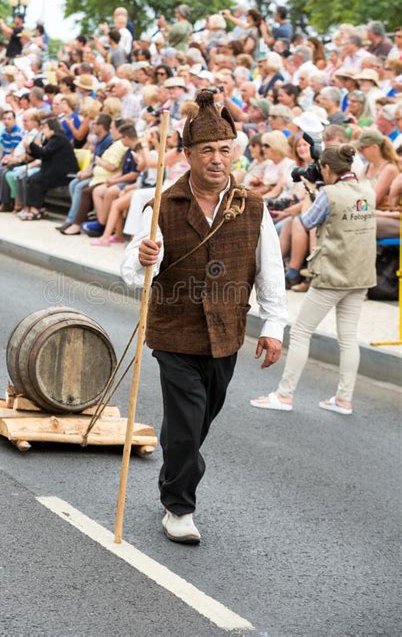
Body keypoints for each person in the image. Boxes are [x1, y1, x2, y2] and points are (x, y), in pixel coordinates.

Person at [121, 91, 287, 544]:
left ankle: (176, 457)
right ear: (188, 155)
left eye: (225, 150)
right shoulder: (161, 203)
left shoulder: (253, 207)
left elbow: (270, 270)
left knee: (196, 422)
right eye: (208, 150)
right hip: (173, 333)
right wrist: (143, 256)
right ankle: (179, 507)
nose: (218, 159)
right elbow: (129, 274)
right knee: (190, 421)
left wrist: (274, 327)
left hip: (225, 336)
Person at [250, 144, 376, 415]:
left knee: (300, 332)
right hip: (361, 274)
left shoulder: (329, 194)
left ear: (327, 169)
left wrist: (312, 191)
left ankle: (284, 395)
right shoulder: (368, 189)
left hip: (332, 273)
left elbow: (306, 222)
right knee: (348, 338)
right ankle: (344, 399)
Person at [21, 117, 78, 220]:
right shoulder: (51, 140)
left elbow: (44, 153)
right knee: (32, 178)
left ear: (52, 128)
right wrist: (29, 148)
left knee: (36, 180)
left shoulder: (58, 138)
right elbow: (41, 155)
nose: (43, 130)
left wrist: (31, 144)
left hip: (63, 173)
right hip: (53, 170)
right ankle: (33, 207)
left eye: (45, 127)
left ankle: (35, 209)